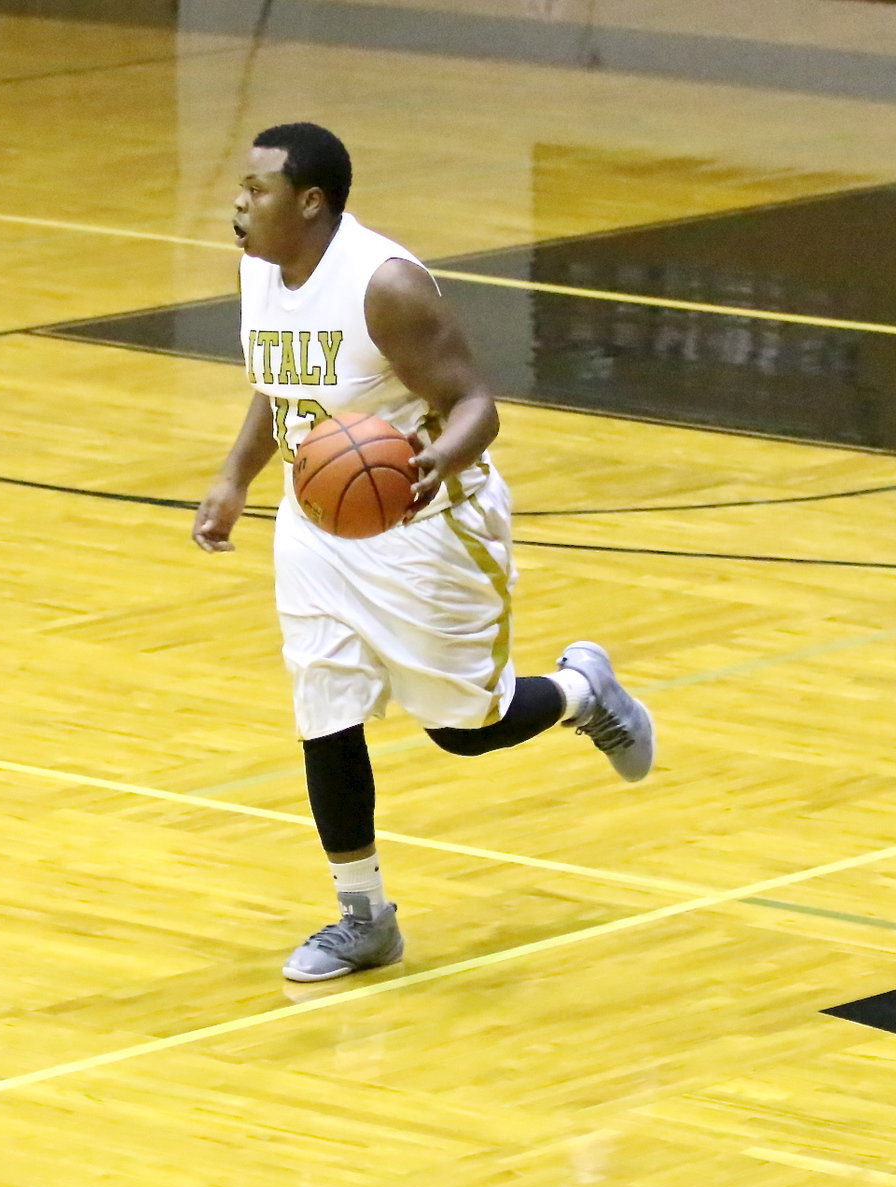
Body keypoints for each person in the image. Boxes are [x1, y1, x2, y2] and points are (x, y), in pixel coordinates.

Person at [193, 122, 654, 983]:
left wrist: (442, 457)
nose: (238, 201)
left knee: (463, 729)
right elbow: (279, 380)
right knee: (323, 706)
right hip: (317, 518)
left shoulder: (386, 287)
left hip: (422, 521)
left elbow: (477, 399)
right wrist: (236, 477)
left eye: (256, 189)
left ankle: (583, 688)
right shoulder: (260, 269)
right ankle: (363, 916)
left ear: (311, 203)